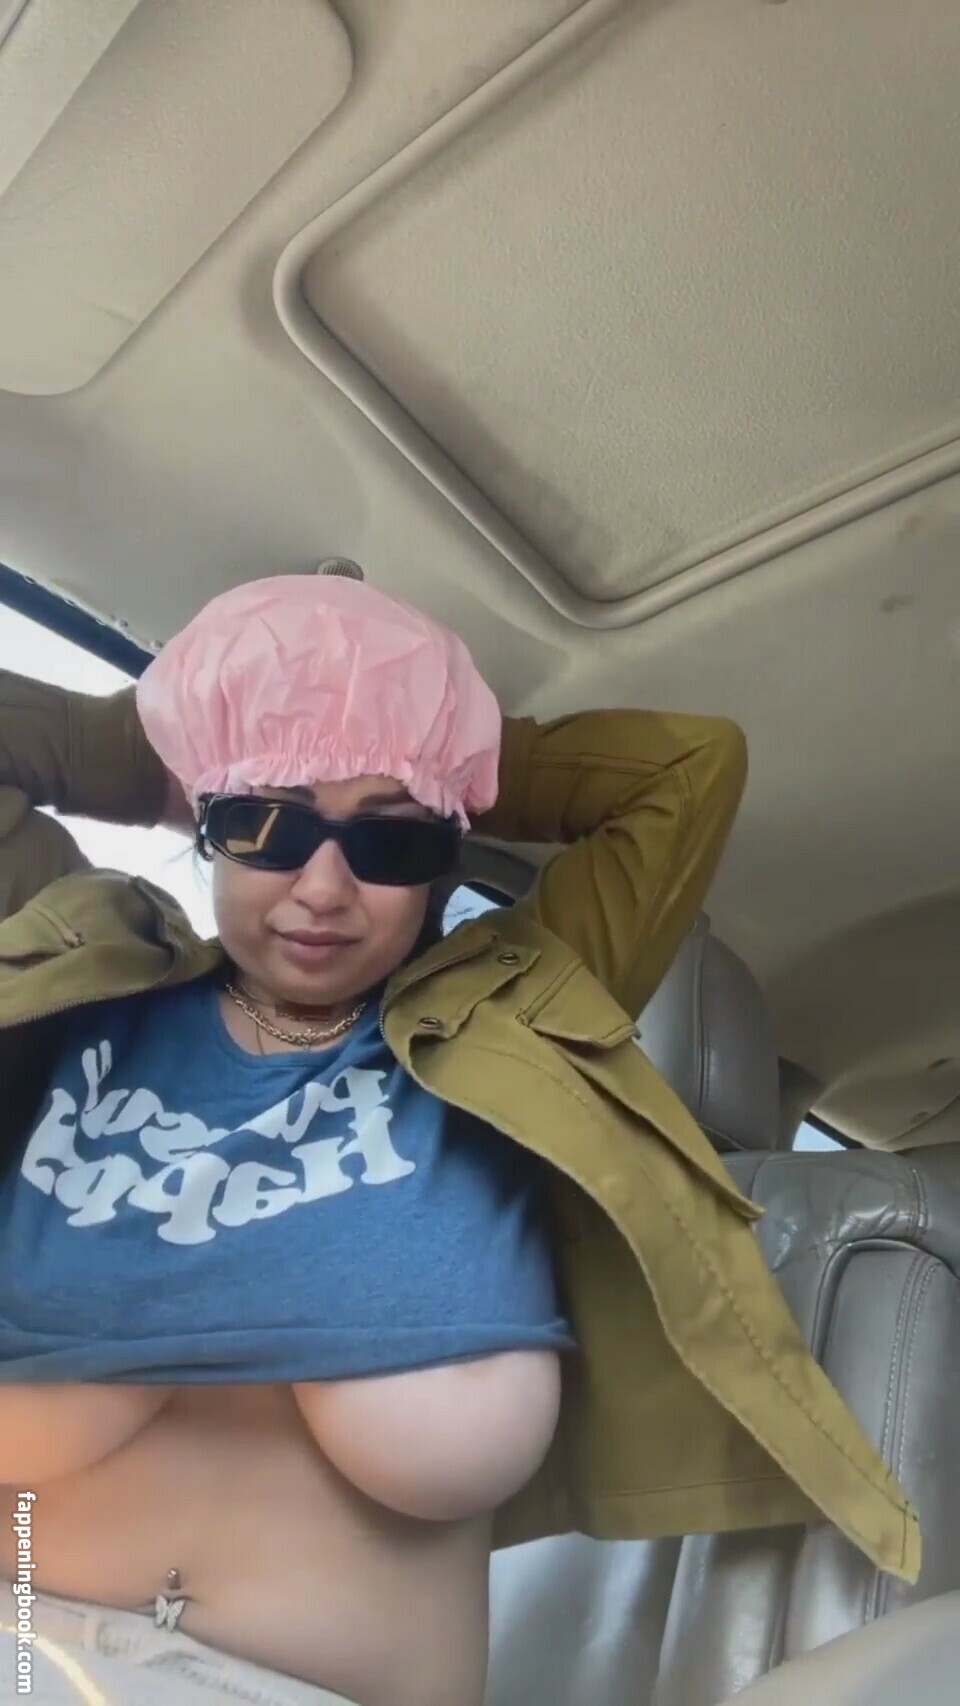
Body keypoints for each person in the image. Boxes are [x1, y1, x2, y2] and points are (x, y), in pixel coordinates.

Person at [0, 572, 917, 1706]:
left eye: (390, 839)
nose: (323, 886)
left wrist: (431, 741)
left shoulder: (506, 1019)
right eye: (264, 822)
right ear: (207, 822)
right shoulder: (83, 982)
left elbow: (690, 768)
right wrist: (197, 737)